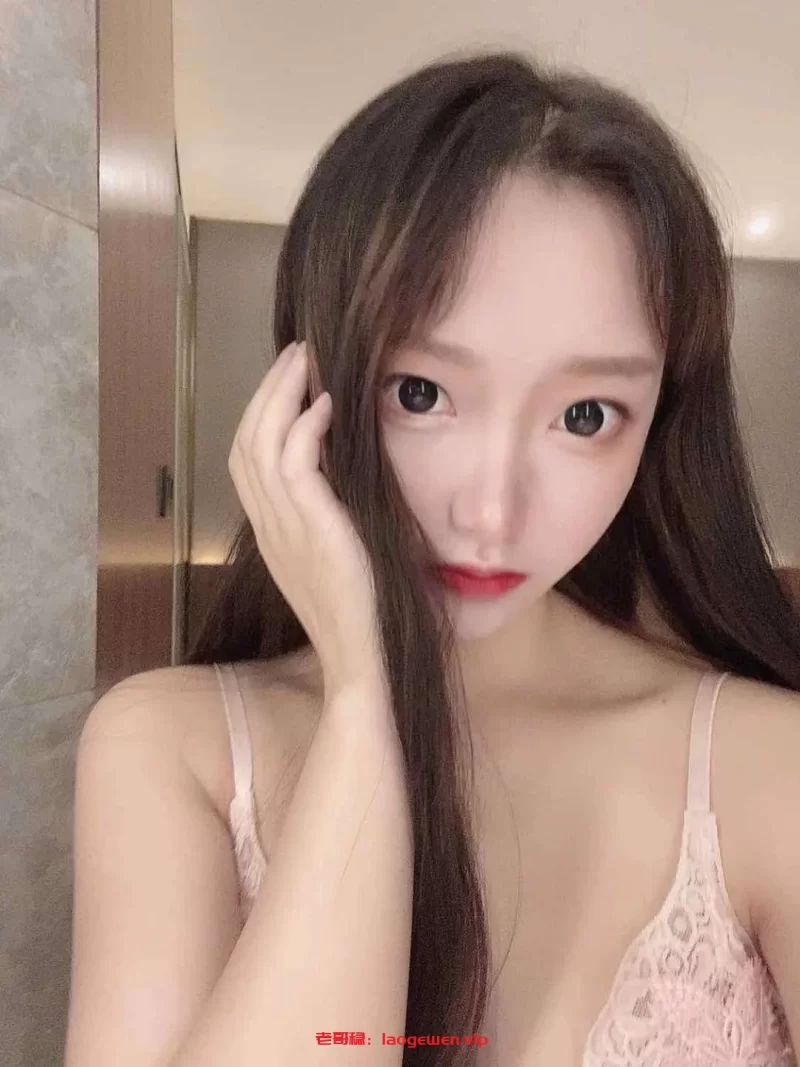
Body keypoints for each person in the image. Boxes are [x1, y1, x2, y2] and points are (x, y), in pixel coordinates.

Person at [64, 49, 800, 1067]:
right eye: (421, 393)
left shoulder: (767, 769)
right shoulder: (173, 747)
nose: (492, 510)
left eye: (586, 415)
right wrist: (363, 701)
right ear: (305, 383)